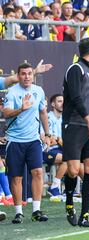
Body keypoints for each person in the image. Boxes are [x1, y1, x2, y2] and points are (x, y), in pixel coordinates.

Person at [63, 38, 89, 227]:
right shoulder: (75, 69)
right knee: (72, 170)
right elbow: (76, 97)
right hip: (74, 124)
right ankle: (70, 204)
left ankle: (85, 215)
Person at [3, 62, 51, 224]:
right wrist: (21, 109)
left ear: (33, 75)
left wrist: (47, 133)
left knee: (38, 172)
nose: (27, 77)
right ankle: (18, 212)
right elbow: (6, 113)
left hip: (33, 140)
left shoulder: (38, 91)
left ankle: (36, 210)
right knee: (16, 178)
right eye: (23, 74)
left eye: (29, 74)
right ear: (18, 76)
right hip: (15, 141)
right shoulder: (12, 92)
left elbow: (43, 112)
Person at [44, 94, 67, 197]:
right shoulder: (48, 117)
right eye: (59, 101)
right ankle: (54, 187)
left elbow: (63, 140)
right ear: (53, 104)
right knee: (67, 159)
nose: (62, 103)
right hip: (47, 150)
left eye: (63, 101)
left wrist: (58, 139)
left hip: (60, 149)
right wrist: (58, 139)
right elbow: (49, 139)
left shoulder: (65, 118)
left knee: (76, 160)